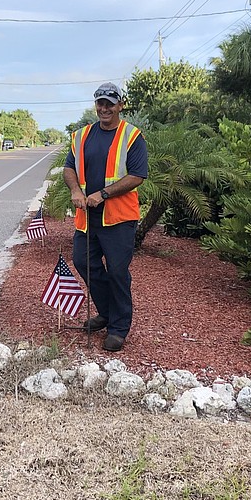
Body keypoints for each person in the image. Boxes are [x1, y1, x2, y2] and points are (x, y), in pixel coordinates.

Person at [63, 82, 147, 352]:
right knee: (83, 261)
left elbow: (137, 176)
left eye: (110, 103)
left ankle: (119, 328)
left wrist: (104, 193)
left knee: (118, 272)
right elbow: (68, 168)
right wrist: (76, 189)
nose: (104, 108)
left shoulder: (132, 136)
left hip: (119, 219)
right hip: (88, 217)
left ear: (120, 105)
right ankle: (108, 313)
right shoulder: (81, 136)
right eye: (100, 102)